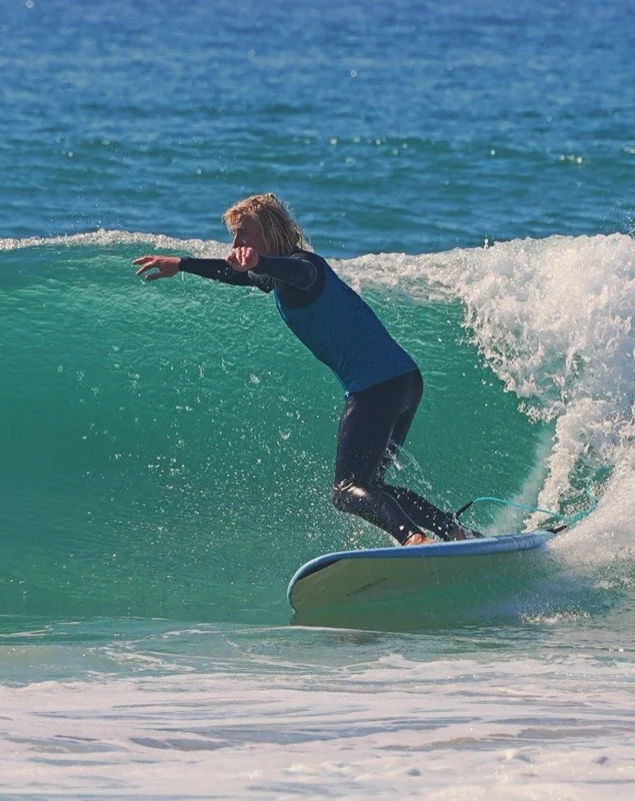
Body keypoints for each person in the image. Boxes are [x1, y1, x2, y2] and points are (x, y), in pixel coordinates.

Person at [136, 193, 472, 547]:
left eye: (243, 234)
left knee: (345, 491)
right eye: (234, 236)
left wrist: (260, 261)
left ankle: (414, 539)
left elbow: (299, 271)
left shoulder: (304, 267)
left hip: (375, 387)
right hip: (403, 380)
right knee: (369, 487)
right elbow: (236, 274)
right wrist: (182, 263)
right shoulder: (275, 274)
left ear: (268, 232)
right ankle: (453, 530)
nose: (235, 243)